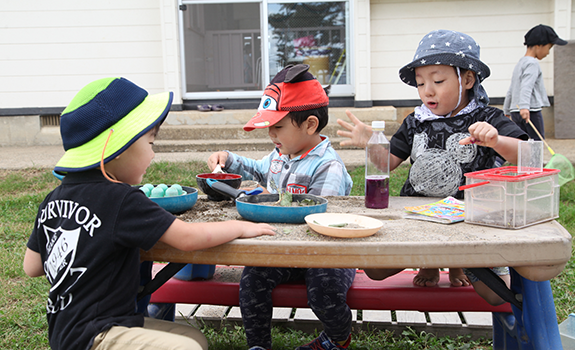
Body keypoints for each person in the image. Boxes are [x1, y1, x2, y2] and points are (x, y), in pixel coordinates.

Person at [22, 77, 276, 350]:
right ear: (118, 146)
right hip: (97, 335)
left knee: (194, 339)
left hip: (67, 327)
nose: (153, 155)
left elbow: (32, 266)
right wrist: (239, 227)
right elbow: (188, 238)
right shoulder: (122, 199)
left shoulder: (53, 198)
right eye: (150, 143)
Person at [337, 30, 528, 306]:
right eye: (420, 83)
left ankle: (457, 261)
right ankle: (431, 259)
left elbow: (525, 153)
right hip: (419, 218)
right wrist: (373, 144)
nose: (428, 90)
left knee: (497, 295)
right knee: (375, 271)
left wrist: (497, 140)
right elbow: (389, 164)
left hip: (469, 221)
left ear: (468, 79)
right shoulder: (416, 121)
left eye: (438, 80)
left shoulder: (488, 118)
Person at [208, 64, 354, 350]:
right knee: (252, 278)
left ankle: (337, 338)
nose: (271, 135)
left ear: (310, 124)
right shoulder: (281, 154)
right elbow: (255, 168)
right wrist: (227, 158)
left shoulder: (328, 166)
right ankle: (258, 345)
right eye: (269, 128)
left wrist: (270, 201)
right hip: (285, 248)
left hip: (326, 252)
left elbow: (320, 218)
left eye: (278, 127)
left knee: (325, 290)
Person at [503, 24, 568, 140]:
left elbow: (511, 89)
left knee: (521, 142)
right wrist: (524, 107)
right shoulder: (532, 63)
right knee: (537, 142)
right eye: (549, 47)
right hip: (530, 111)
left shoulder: (520, 64)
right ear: (539, 46)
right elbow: (526, 86)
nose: (548, 52)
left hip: (515, 111)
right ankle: (535, 159)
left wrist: (507, 110)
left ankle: (523, 159)